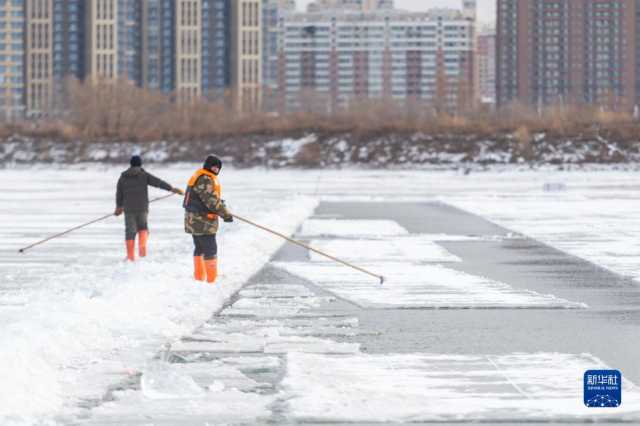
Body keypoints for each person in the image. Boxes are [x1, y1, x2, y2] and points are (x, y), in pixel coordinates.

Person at [115, 155, 183, 261]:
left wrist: (119, 207)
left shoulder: (123, 177)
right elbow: (158, 182)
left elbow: (119, 193)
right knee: (143, 227)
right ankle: (142, 248)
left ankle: (130, 256)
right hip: (142, 207)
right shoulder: (144, 175)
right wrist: (171, 188)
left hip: (128, 209)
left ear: (131, 164)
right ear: (140, 164)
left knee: (130, 231)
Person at [183, 155, 233, 284]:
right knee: (210, 249)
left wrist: (220, 204)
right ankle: (212, 281)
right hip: (202, 221)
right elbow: (211, 201)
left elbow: (203, 198)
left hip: (193, 219)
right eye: (214, 167)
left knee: (199, 247)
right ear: (208, 166)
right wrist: (225, 214)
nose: (216, 170)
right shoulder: (205, 179)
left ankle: (199, 278)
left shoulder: (199, 176)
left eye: (218, 168)